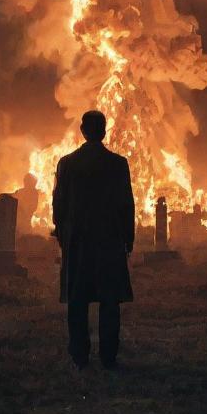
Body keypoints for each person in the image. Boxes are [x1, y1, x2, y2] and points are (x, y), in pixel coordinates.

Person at [52, 110, 135, 369]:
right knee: (109, 300)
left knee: (78, 299)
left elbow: (59, 203)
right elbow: (126, 204)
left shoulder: (67, 164)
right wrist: (128, 238)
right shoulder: (118, 164)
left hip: (78, 241)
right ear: (104, 131)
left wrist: (62, 234)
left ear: (83, 131)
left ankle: (80, 355)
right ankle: (108, 356)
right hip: (109, 240)